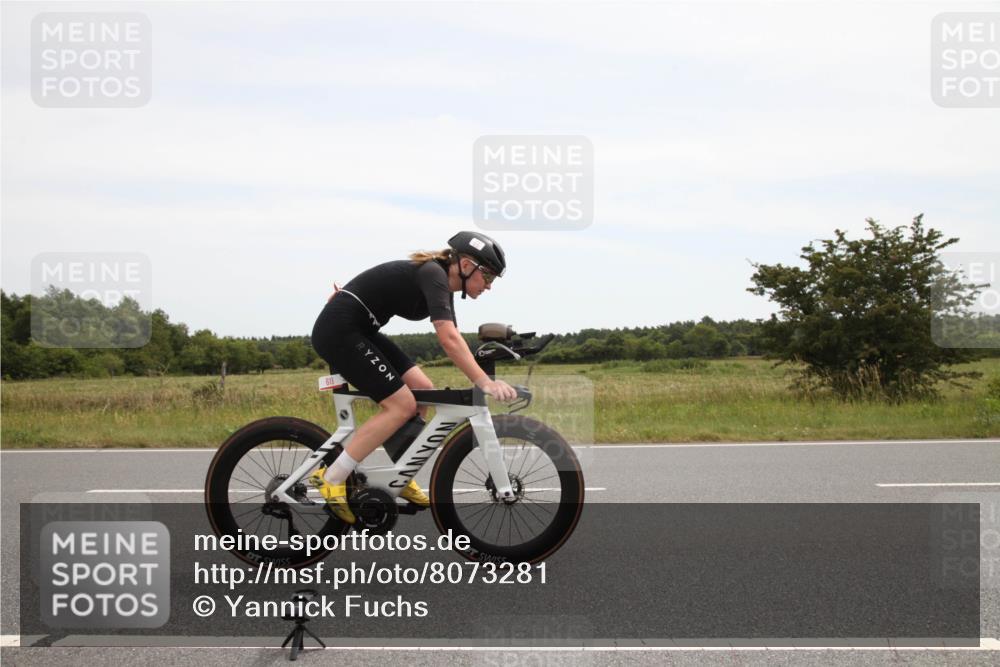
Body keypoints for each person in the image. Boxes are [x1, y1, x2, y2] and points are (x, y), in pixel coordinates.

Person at [309, 231, 518, 523]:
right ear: (468, 265)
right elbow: (448, 339)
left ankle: (400, 473)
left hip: (359, 330)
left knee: (422, 388)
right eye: (489, 277)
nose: (489, 286)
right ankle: (332, 476)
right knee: (401, 405)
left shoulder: (441, 284)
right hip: (340, 331)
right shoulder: (434, 274)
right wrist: (484, 381)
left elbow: (454, 337)